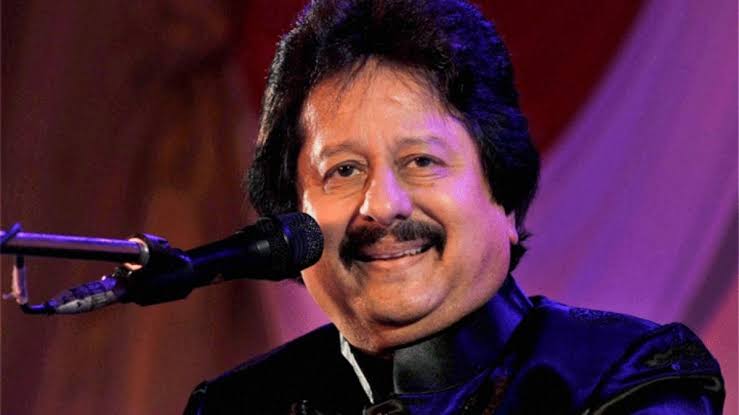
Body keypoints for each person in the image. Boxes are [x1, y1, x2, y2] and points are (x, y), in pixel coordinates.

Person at [185, 0, 725, 413]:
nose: (382, 205)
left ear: (504, 197)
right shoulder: (236, 406)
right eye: (343, 170)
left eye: (421, 161)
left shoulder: (628, 376)